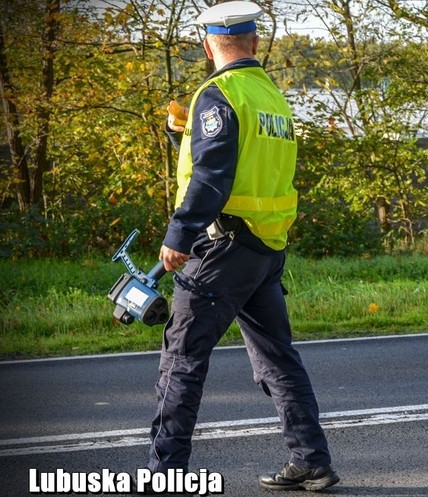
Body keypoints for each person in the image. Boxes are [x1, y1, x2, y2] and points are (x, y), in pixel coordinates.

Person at [151, 1, 339, 492]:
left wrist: (179, 235)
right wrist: (183, 136)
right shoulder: (271, 97)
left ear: (208, 43)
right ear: (253, 43)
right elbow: (243, 161)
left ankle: (164, 475)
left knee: (182, 360)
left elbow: (212, 176)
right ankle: (311, 460)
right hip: (265, 248)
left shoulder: (218, 94)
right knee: (278, 358)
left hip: (224, 248)